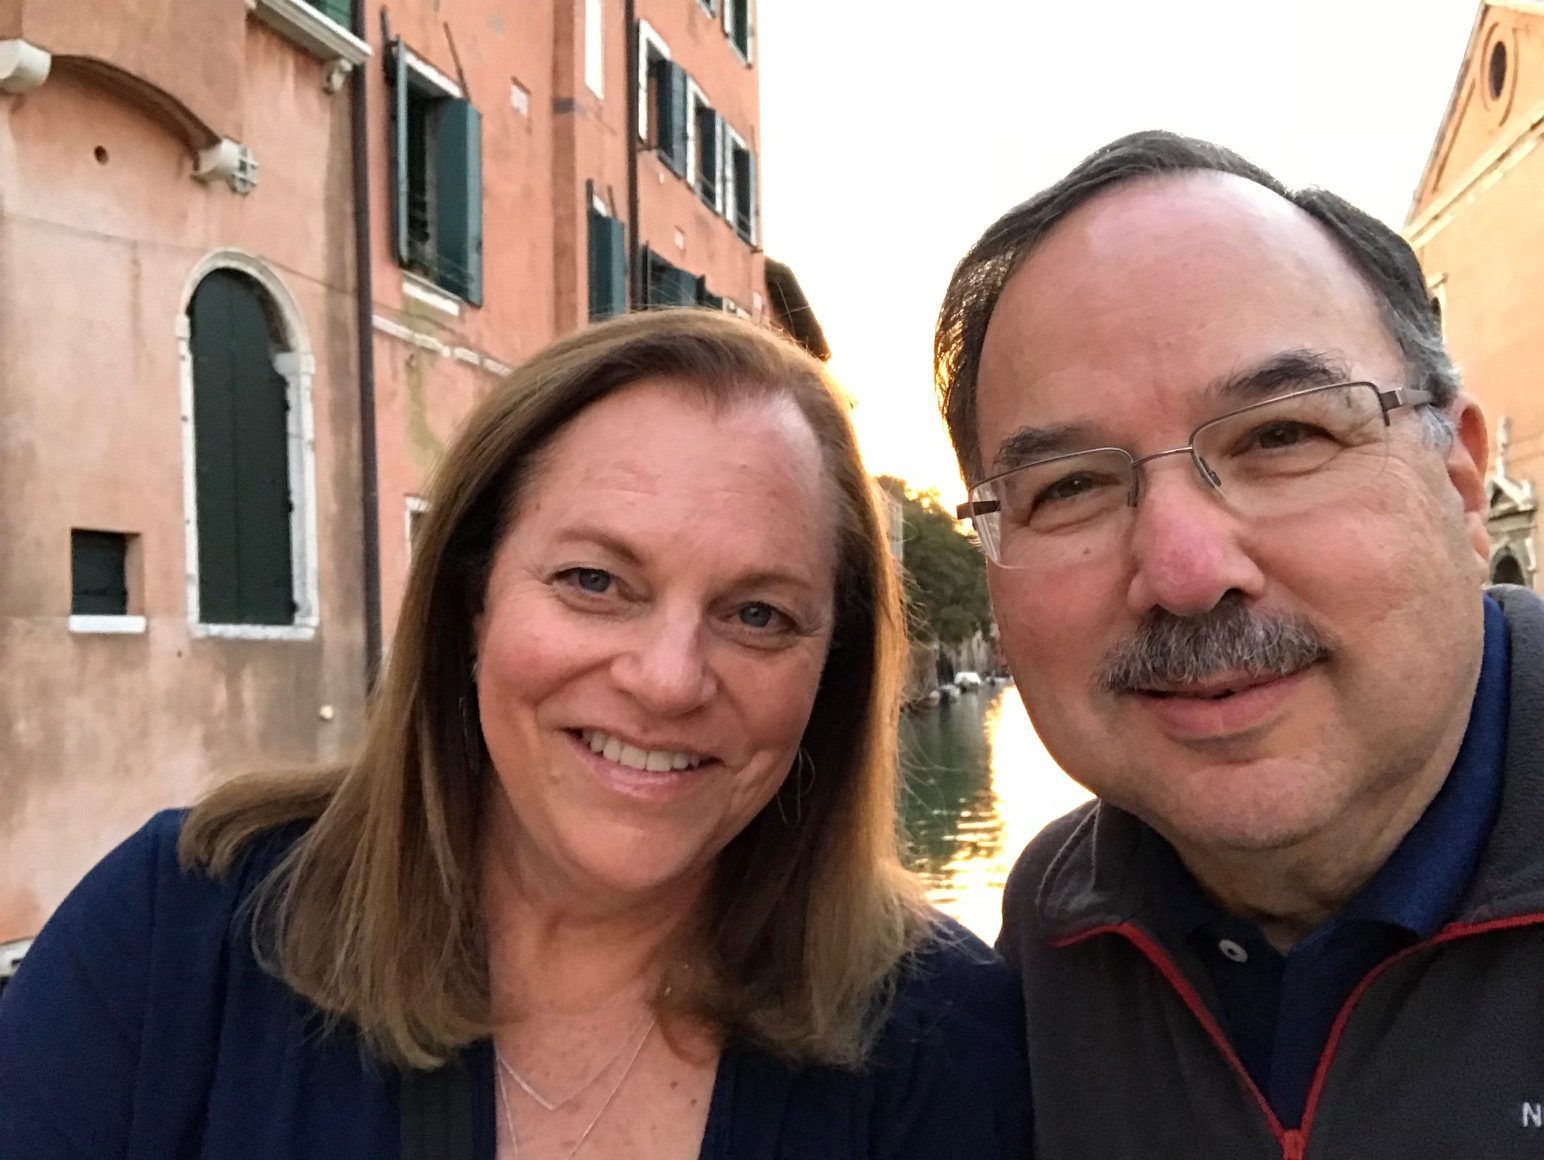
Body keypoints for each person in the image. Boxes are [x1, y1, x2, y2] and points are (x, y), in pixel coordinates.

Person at [0, 309, 1029, 1159]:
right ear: (470, 603)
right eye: (593, 581)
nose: (668, 679)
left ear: (830, 673)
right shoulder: (176, 941)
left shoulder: (938, 1041)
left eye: (758, 613)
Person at [938, 129, 1541, 1158]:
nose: (1182, 569)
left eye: (1279, 437)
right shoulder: (1052, 938)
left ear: (1457, 481)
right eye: (1070, 487)